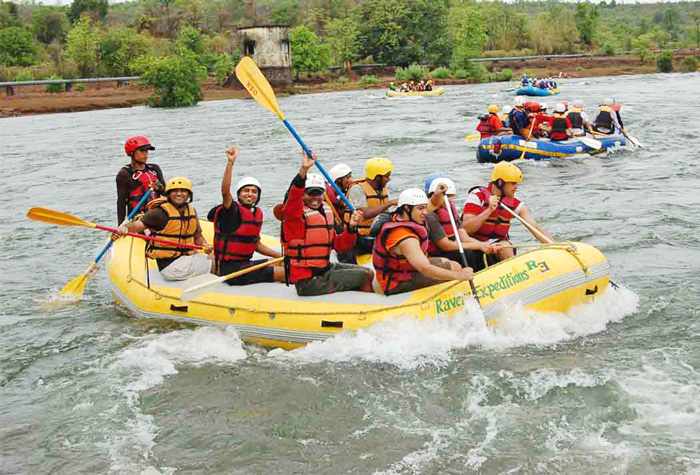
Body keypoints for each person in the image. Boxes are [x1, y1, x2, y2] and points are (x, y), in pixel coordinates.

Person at [279, 151, 374, 297]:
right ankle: (367, 308)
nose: (315, 198)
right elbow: (293, 197)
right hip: (308, 281)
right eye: (310, 193)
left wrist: (351, 227)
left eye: (318, 193)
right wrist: (304, 170)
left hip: (324, 269)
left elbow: (342, 246)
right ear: (303, 195)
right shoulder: (295, 217)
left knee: (368, 272)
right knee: (363, 277)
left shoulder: (326, 212)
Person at [207, 146, 284, 285]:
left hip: (245, 265)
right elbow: (225, 192)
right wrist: (230, 163)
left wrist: (281, 256)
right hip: (231, 270)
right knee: (285, 273)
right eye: (246, 191)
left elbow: (256, 245)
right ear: (239, 194)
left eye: (254, 191)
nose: (250, 194)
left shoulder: (256, 213)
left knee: (283, 264)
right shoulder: (232, 211)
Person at [373, 188, 473, 296]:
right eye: (421, 209)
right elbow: (425, 268)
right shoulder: (405, 238)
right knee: (455, 269)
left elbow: (433, 204)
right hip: (398, 283)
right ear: (407, 208)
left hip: (405, 269)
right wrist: (459, 276)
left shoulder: (402, 216)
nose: (425, 212)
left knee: (450, 262)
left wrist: (438, 193)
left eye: (425, 208)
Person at [116, 176, 213, 281]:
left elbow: (197, 236)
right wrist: (125, 227)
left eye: (183, 191)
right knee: (220, 265)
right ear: (169, 194)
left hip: (187, 258)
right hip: (171, 266)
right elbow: (136, 226)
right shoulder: (159, 213)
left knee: (218, 258)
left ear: (189, 194)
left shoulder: (191, 211)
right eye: (175, 191)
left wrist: (205, 245)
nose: (179, 194)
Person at [462, 162, 554, 262]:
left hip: (498, 244)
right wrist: (489, 211)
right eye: (513, 183)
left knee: (505, 248)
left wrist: (556, 246)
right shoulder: (477, 196)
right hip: (474, 243)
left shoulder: (515, 203)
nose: (516, 187)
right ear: (500, 182)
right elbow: (466, 229)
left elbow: (535, 228)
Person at [424, 176, 501, 272]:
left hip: (451, 248)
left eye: (451, 196)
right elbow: (445, 245)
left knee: (482, 251)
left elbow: (464, 237)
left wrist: (485, 245)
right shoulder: (430, 216)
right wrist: (479, 246)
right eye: (447, 196)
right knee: (468, 253)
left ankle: (492, 276)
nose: (450, 199)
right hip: (439, 252)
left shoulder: (450, 209)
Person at [346, 157, 398, 256]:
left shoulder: (382, 189)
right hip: (362, 238)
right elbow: (364, 214)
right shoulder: (357, 189)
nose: (389, 179)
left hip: (378, 234)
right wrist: (389, 203)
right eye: (387, 176)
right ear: (378, 178)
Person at [116, 135, 165, 225]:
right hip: (139, 218)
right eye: (142, 151)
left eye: (146, 151)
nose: (145, 154)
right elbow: (121, 203)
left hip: (158, 214)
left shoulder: (154, 169)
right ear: (131, 153)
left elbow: (166, 193)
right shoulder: (124, 174)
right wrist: (121, 225)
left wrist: (159, 187)